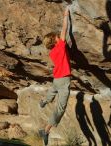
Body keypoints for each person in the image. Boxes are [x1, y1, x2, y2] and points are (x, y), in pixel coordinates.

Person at [38, 7, 71, 146]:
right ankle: (46, 131)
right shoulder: (61, 46)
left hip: (57, 79)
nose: (59, 36)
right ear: (55, 40)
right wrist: (66, 16)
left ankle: (44, 101)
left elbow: (61, 34)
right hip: (63, 80)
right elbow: (64, 30)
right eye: (57, 37)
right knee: (60, 108)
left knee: (53, 90)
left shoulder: (52, 53)